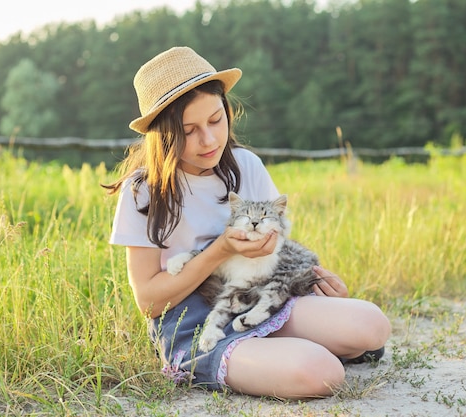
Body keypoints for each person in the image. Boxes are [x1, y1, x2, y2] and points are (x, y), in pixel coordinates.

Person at [105, 46, 391, 399]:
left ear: (227, 110)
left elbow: (273, 253)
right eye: (188, 130)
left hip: (259, 294)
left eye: (215, 120)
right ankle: (241, 356)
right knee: (321, 373)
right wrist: (219, 250)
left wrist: (317, 287)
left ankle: (276, 346)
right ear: (163, 134)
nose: (208, 140)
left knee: (372, 325)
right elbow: (149, 302)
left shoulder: (245, 166)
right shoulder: (144, 190)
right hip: (192, 318)